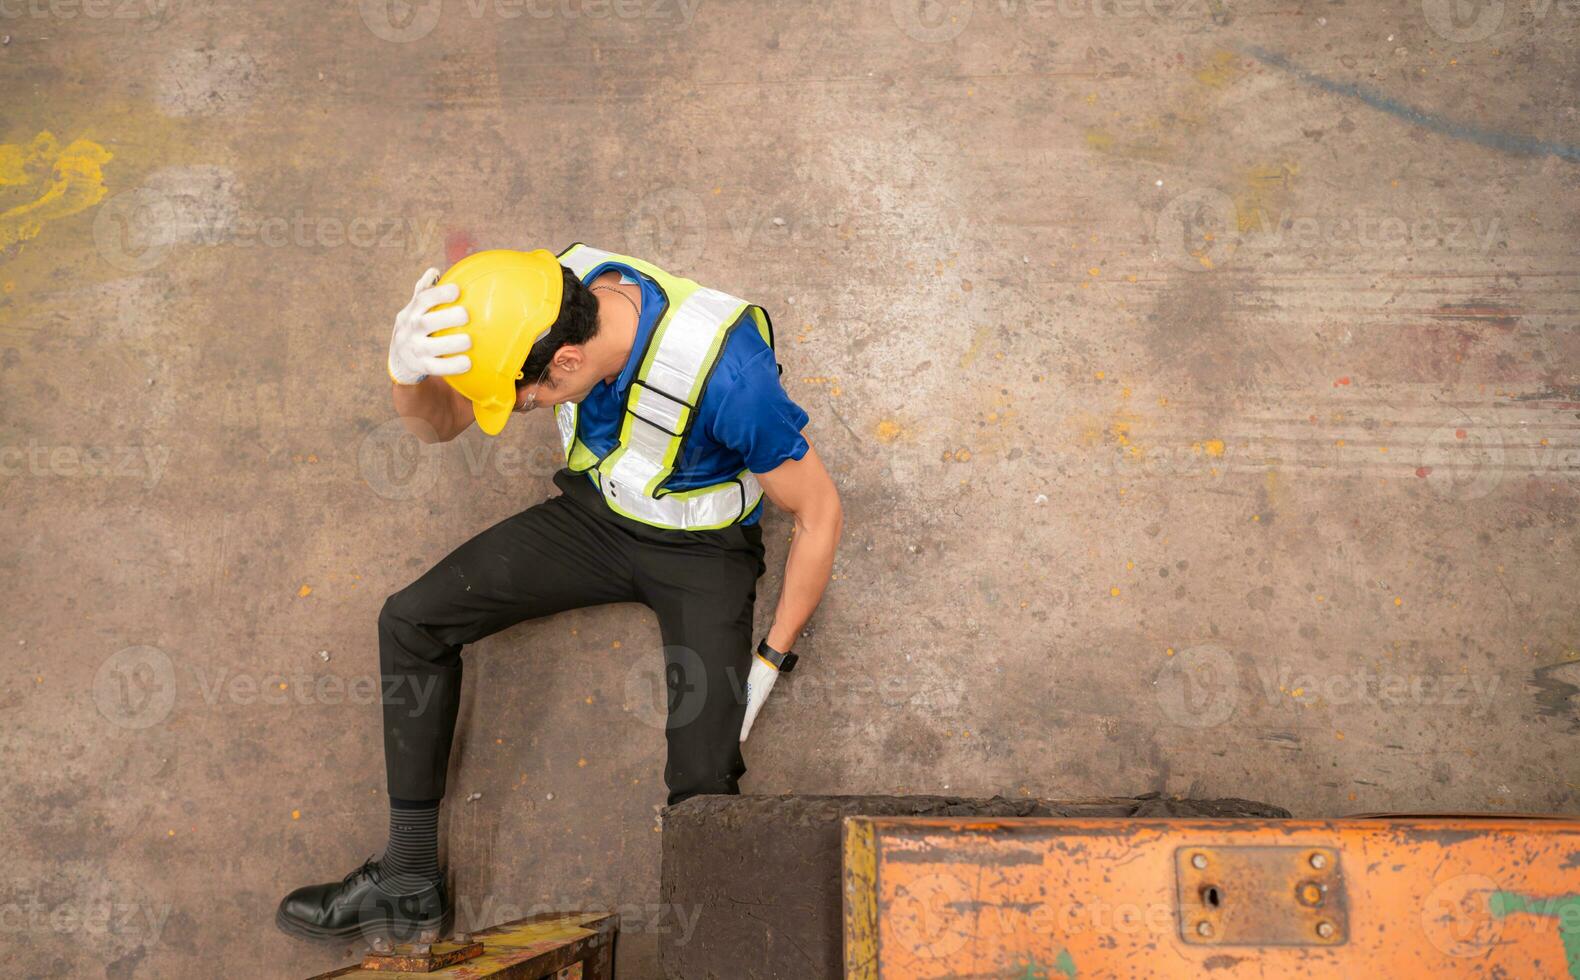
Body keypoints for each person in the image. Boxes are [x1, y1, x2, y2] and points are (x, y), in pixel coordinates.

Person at [276, 245, 843, 941]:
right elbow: (440, 422)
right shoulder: (549, 291)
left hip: (702, 553)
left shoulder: (730, 377)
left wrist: (770, 658)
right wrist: (405, 374)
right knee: (410, 622)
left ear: (567, 362)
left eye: (529, 395)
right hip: (595, 516)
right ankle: (408, 875)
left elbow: (818, 514)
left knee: (703, 777)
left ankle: (713, 946)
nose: (521, 410)